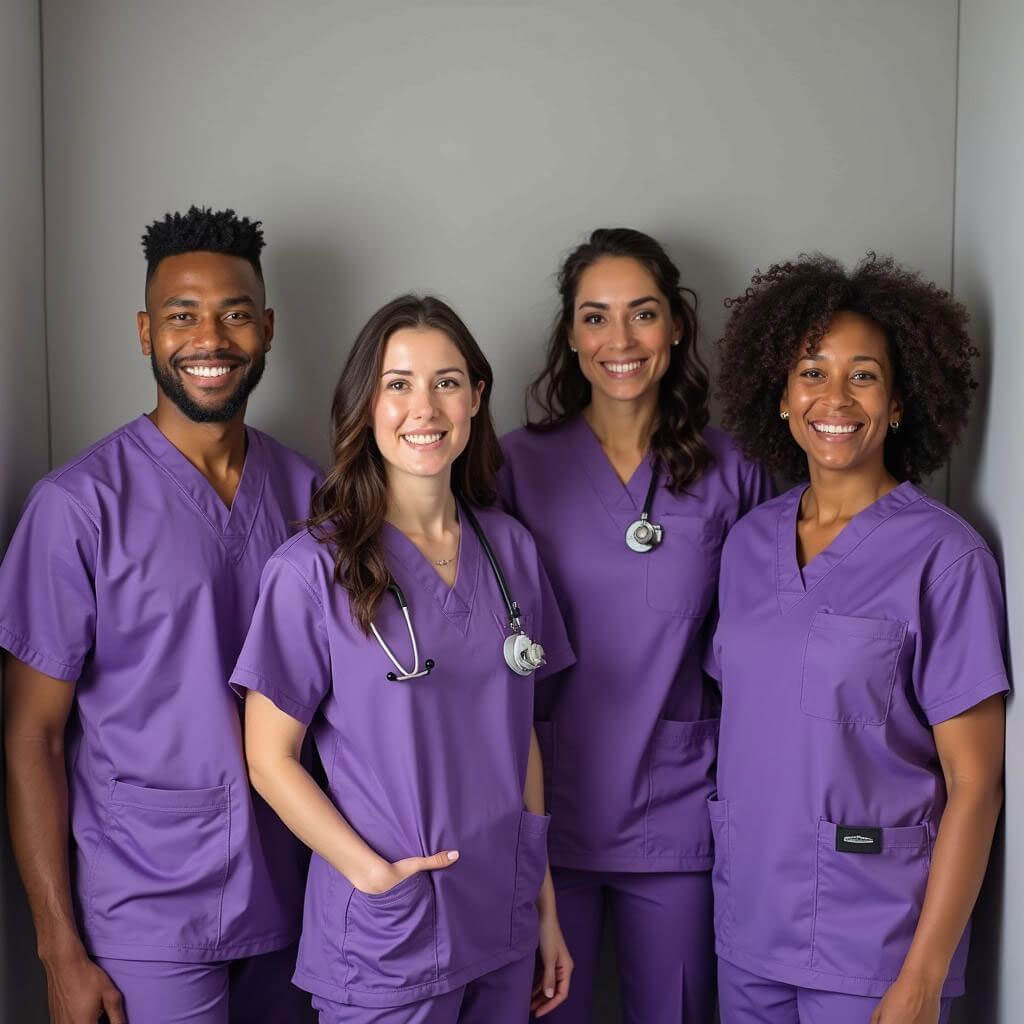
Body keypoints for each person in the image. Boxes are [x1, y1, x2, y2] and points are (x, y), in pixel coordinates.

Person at [1, 206, 321, 1023]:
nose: (209, 338)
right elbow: (31, 734)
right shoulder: (76, 508)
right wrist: (58, 949)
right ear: (146, 331)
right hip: (142, 914)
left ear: (268, 329)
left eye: (235, 314)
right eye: (182, 315)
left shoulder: (310, 497)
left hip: (294, 896)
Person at [230, 294, 575, 1023]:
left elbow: (522, 735)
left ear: (476, 398)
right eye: (398, 383)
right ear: (366, 403)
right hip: (391, 933)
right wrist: (371, 875)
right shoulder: (308, 571)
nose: (425, 407)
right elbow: (269, 758)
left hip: (502, 917)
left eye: (447, 382)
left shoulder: (509, 548)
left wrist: (542, 906)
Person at [708, 253, 1008, 1024]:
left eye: (864, 375)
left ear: (901, 400)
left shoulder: (947, 557)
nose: (834, 398)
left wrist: (924, 975)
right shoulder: (747, 546)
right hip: (747, 930)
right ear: (779, 394)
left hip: (876, 945)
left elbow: (976, 785)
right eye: (812, 371)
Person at [498, 228, 773, 1023]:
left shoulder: (735, 470)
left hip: (680, 812)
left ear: (677, 326)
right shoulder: (516, 467)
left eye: (642, 314)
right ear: (571, 335)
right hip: (546, 812)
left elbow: (764, 647)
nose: (619, 340)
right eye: (595, 317)